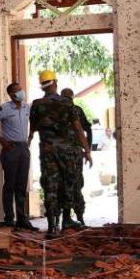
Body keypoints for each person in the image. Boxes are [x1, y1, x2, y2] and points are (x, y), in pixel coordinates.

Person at [27, 71, 90, 239]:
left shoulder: (37, 104)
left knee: (50, 185)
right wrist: (87, 150)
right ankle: (66, 221)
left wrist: (29, 140)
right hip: (67, 151)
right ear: (55, 82)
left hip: (47, 151)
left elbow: (32, 128)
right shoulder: (67, 103)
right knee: (68, 183)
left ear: (42, 86)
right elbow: (78, 128)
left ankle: (51, 227)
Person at [0, 82, 34, 231]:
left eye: (20, 90)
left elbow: (34, 122)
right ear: (11, 95)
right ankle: (9, 220)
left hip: (24, 148)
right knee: (10, 185)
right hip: (10, 149)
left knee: (22, 185)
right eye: (16, 91)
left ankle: (22, 219)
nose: (20, 93)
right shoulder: (4, 108)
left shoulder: (27, 108)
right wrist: (2, 141)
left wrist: (30, 137)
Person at [60, 88, 93, 229]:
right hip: (74, 153)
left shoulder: (58, 111)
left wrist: (87, 150)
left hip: (61, 154)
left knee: (64, 185)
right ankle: (78, 217)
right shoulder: (76, 110)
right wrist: (88, 150)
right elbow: (87, 129)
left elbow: (87, 129)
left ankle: (66, 219)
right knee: (76, 185)